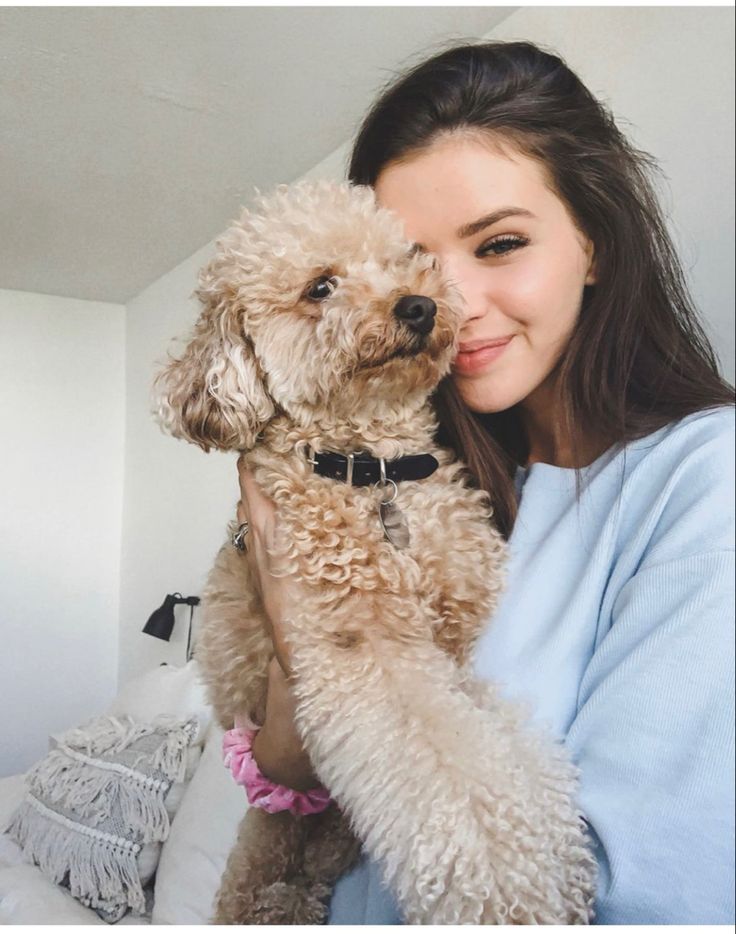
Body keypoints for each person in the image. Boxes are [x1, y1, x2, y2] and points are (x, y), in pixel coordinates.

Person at [235, 41, 735, 924]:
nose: (447, 301)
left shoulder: (704, 480)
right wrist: (297, 653)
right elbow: (290, 773)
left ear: (596, 245)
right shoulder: (417, 488)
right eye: (409, 260)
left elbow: (643, 897)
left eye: (499, 244)